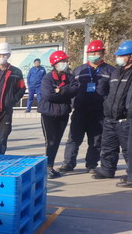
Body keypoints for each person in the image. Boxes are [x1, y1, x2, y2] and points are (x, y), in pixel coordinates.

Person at [60, 40, 113, 174]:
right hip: (80, 110)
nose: (93, 55)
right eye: (91, 53)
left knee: (95, 141)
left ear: (102, 53)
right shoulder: (79, 70)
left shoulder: (110, 70)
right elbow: (71, 88)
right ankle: (68, 163)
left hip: (99, 112)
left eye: (96, 53)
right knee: (73, 139)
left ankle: (91, 164)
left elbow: (113, 92)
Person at [93, 40, 132, 180]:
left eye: (122, 55)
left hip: (126, 119)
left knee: (128, 149)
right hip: (110, 117)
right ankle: (107, 170)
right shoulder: (116, 72)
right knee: (108, 146)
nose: (118, 58)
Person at [38, 50, 79, 179]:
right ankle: (47, 167)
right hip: (48, 113)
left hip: (63, 113)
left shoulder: (70, 77)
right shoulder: (47, 78)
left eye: (65, 61)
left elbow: (75, 90)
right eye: (62, 61)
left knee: (56, 141)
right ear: (55, 64)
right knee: (50, 141)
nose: (65, 63)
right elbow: (48, 95)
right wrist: (65, 94)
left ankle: (50, 166)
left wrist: (60, 90)